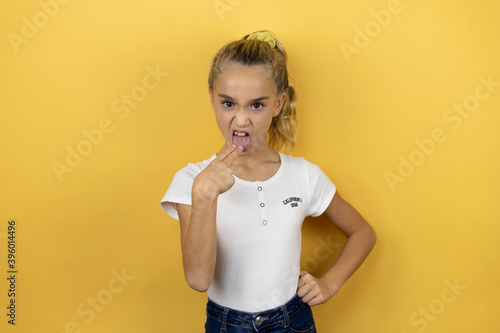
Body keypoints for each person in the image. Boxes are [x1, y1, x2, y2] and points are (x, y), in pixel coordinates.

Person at [160, 31, 376, 333]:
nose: (241, 120)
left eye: (256, 105)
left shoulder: (303, 175)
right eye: (228, 104)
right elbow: (198, 279)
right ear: (212, 99)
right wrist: (204, 195)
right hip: (227, 325)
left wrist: (330, 282)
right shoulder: (192, 180)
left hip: (293, 322)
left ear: (278, 103)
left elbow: (363, 233)